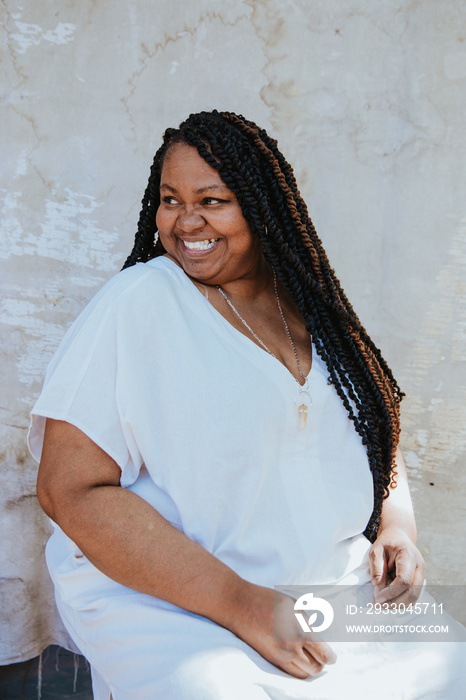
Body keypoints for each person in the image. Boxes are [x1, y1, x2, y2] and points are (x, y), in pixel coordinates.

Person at [29, 110, 464, 699]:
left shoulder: (314, 310)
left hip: (328, 591)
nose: (186, 222)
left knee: (449, 675)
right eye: (170, 199)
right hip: (180, 603)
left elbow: (374, 429)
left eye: (212, 200)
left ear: (262, 207)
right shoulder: (139, 304)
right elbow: (69, 490)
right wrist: (242, 604)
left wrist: (397, 529)